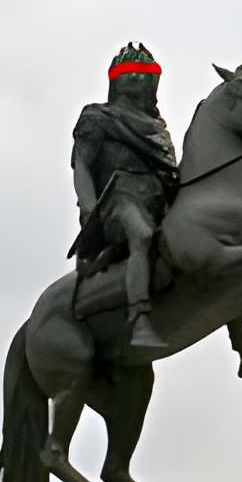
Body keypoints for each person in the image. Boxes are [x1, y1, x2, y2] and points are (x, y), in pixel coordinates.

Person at [70, 43, 181, 356]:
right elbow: (82, 165)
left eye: (143, 72)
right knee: (142, 235)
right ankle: (140, 318)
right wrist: (88, 209)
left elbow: (172, 172)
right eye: (130, 70)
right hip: (119, 199)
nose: (137, 77)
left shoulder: (159, 131)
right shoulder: (97, 117)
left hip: (159, 198)